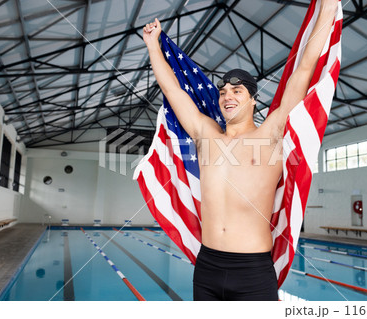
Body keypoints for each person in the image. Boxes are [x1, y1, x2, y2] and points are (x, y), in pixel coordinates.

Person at [143, 0, 338, 301]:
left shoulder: (270, 134)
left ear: (253, 101)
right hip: (207, 267)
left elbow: (304, 70)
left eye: (237, 91)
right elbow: (172, 91)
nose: (227, 97)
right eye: (222, 92)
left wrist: (327, 9)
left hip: (253, 271)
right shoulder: (206, 134)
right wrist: (153, 46)